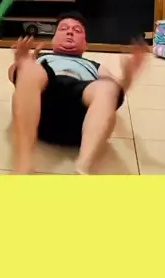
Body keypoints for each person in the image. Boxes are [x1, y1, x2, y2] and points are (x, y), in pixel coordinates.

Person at [8, 12, 147, 174]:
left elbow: (115, 95)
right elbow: (13, 77)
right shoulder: (40, 60)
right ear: (53, 39)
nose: (70, 32)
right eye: (63, 29)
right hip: (41, 112)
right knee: (28, 69)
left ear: (85, 44)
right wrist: (20, 63)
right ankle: (23, 164)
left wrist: (128, 77)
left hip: (81, 119)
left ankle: (83, 167)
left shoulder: (94, 66)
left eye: (77, 30)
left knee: (109, 87)